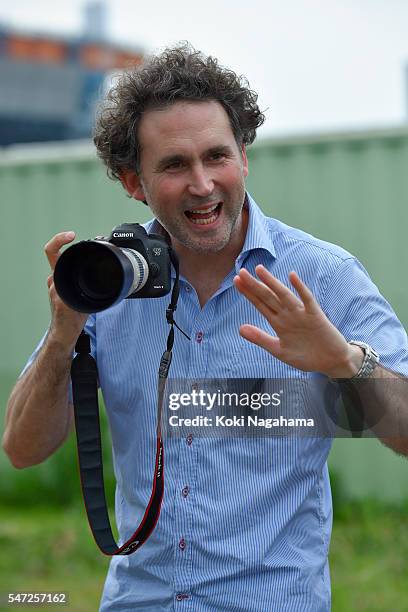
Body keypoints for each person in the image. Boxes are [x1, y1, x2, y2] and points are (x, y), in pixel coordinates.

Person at [3, 43, 408, 611]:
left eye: (216, 156)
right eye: (173, 164)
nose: (202, 183)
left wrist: (345, 362)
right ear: (132, 181)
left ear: (244, 156)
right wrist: (64, 333)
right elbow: (22, 449)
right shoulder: (105, 280)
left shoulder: (323, 276)